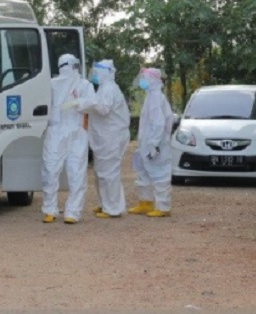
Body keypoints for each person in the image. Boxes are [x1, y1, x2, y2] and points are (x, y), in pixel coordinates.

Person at [41, 54, 96, 224]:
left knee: (77, 172)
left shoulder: (85, 85)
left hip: (77, 131)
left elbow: (93, 103)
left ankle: (73, 211)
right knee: (50, 171)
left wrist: (78, 102)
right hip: (55, 130)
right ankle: (50, 209)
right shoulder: (51, 84)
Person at [87, 59, 131, 219]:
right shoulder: (104, 88)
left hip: (111, 137)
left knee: (109, 173)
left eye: (97, 72)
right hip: (105, 137)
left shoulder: (110, 89)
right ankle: (105, 204)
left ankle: (113, 208)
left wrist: (85, 103)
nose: (95, 75)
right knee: (101, 173)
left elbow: (103, 109)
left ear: (105, 72)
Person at [128, 67, 175, 217]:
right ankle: (145, 202)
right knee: (144, 172)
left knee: (159, 174)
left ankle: (163, 207)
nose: (142, 81)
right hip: (148, 142)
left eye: (144, 78)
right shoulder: (151, 96)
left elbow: (159, 123)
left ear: (152, 80)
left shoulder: (156, 97)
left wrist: (154, 143)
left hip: (156, 144)